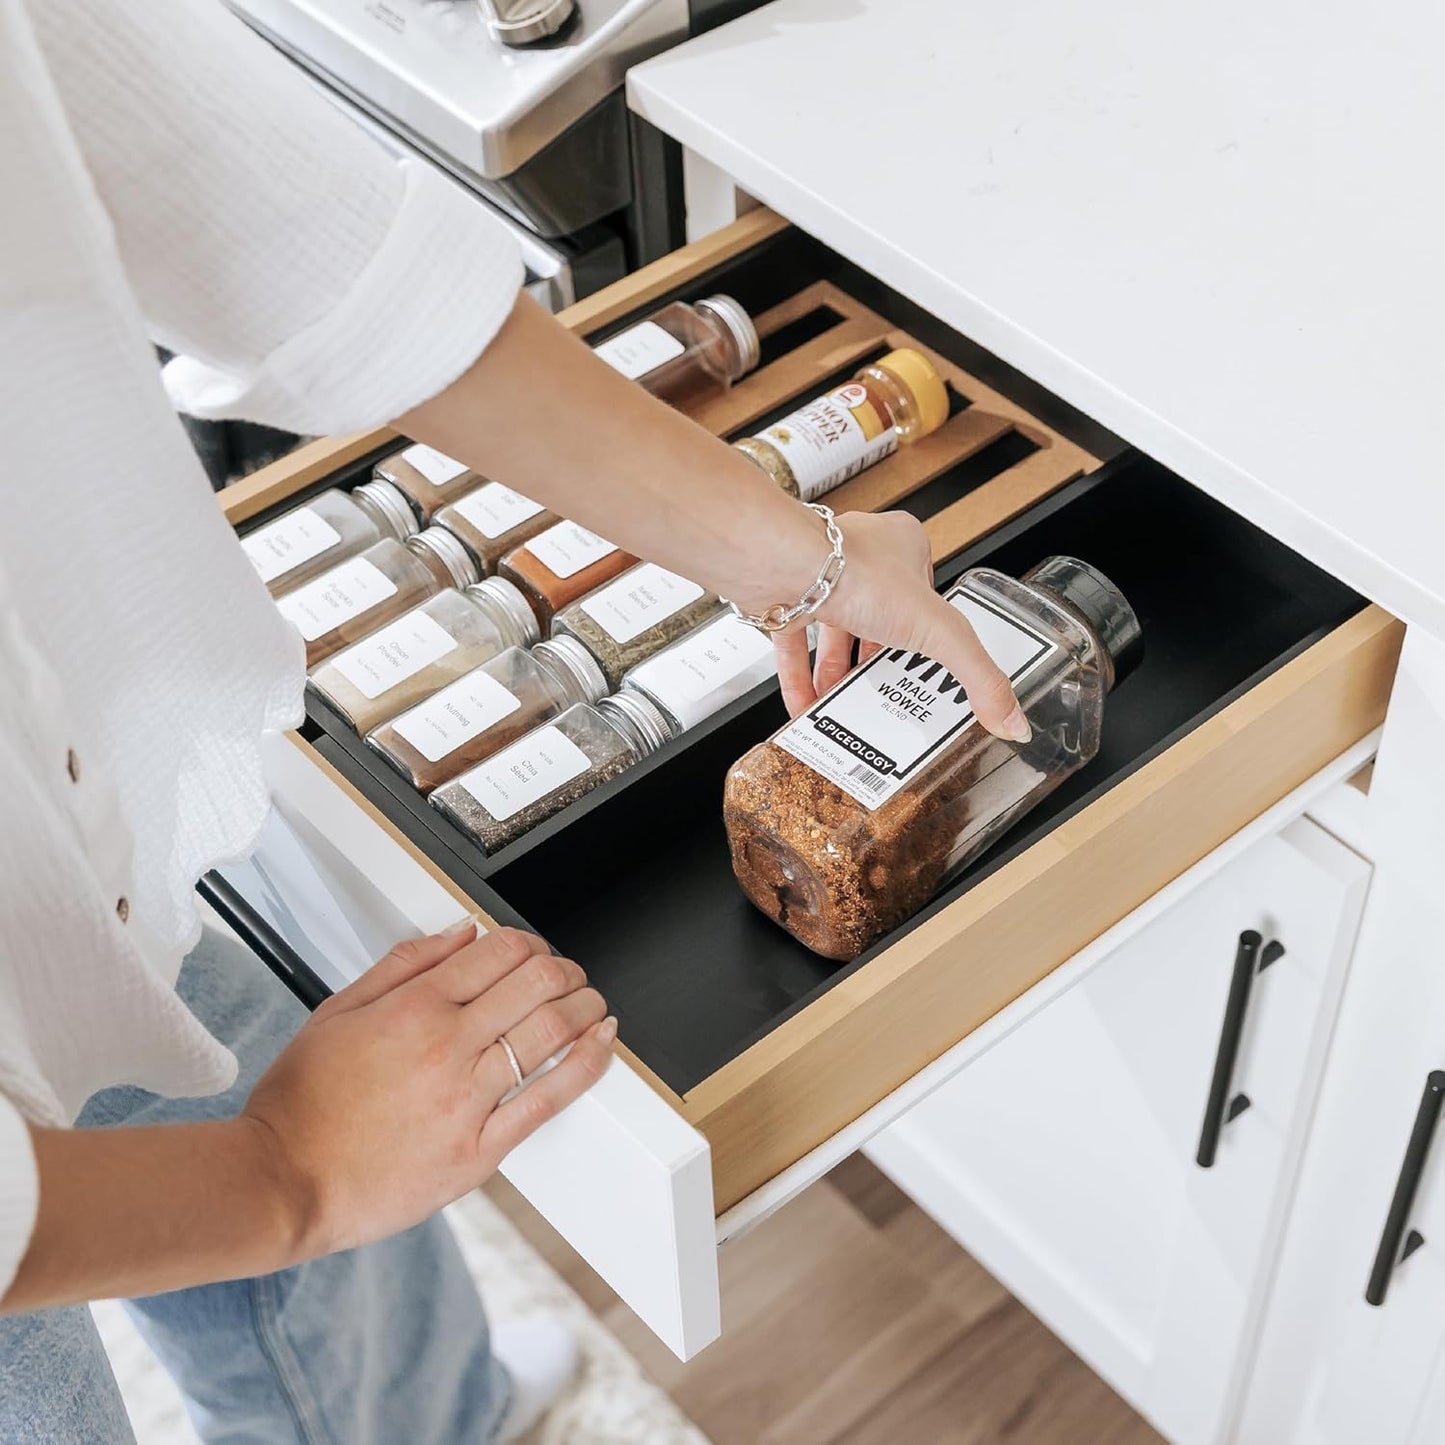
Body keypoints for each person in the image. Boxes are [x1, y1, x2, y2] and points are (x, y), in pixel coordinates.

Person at [0, 0, 1030, 1440]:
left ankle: (439, 1415)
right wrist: (288, 1173)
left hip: (87, 811)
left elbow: (304, 246)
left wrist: (807, 556)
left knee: (229, 1056)